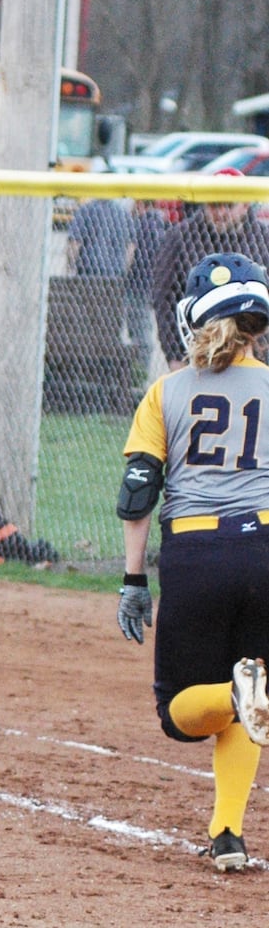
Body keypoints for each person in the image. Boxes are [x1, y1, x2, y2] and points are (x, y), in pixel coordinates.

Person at [114, 252, 269, 871]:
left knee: (180, 713)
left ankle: (236, 697)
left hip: (198, 553)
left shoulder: (168, 391)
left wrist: (132, 579)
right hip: (265, 549)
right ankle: (227, 834)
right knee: (251, 691)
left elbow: (137, 491)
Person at [149, 170, 269, 370]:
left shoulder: (263, 239)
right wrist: (174, 355)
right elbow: (164, 299)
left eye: (229, 205)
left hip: (254, 351)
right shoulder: (181, 237)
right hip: (197, 350)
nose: (220, 212)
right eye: (214, 205)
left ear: (245, 205)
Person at [126, 199, 174, 373]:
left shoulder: (140, 224)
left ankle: (139, 369)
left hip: (137, 283)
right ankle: (141, 368)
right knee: (144, 327)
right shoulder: (164, 225)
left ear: (140, 204)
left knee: (139, 330)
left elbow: (131, 254)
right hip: (155, 285)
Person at [66, 196, 133, 277]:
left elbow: (74, 243)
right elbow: (130, 248)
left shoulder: (86, 210)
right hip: (116, 270)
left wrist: (71, 266)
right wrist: (124, 269)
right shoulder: (124, 213)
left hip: (88, 269)